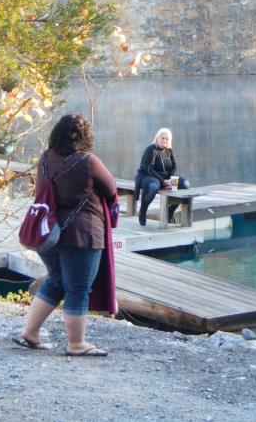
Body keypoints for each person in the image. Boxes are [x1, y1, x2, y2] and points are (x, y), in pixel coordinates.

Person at [14, 113, 119, 357]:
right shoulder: (87, 161)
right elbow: (110, 187)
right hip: (83, 234)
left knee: (57, 280)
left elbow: (41, 190)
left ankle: (30, 332)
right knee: (78, 288)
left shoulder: (44, 160)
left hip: (47, 234)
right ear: (86, 137)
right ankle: (76, 344)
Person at [133, 127, 190, 226]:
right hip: (148, 176)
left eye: (166, 139)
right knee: (153, 187)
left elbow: (174, 167)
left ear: (169, 140)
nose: (164, 140)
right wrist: (163, 181)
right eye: (162, 138)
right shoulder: (151, 149)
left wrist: (169, 179)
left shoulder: (169, 151)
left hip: (165, 178)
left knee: (185, 185)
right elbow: (149, 169)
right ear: (157, 138)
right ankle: (143, 211)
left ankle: (169, 211)